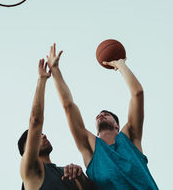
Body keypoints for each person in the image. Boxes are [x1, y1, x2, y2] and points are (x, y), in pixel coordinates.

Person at [46, 43, 159, 190]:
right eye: (99, 115)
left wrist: (120, 64)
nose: (101, 115)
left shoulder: (130, 137)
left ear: (117, 125)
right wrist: (55, 71)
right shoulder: (90, 146)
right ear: (97, 130)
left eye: (107, 114)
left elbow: (137, 94)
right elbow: (68, 106)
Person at [18, 58, 94, 190]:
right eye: (37, 136)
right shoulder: (30, 172)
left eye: (42, 133)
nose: (43, 136)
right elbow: (35, 120)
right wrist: (42, 79)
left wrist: (80, 175)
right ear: (28, 149)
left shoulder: (66, 173)